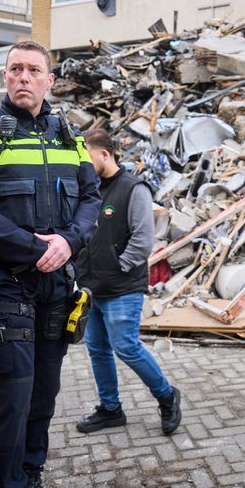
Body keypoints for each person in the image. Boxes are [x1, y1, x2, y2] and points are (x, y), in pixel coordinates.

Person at [0, 41, 101, 488]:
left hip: (56, 285)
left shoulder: (69, 136)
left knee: (43, 393)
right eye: (15, 69)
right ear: (5, 78)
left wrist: (69, 242)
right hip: (1, 283)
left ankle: (29, 473)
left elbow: (91, 199)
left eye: (34, 70)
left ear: (49, 81)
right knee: (12, 393)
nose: (23, 77)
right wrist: (34, 248)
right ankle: (5, 482)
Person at [75, 129, 182, 436]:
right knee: (97, 349)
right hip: (90, 287)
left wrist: (117, 267)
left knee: (126, 347)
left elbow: (143, 239)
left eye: (87, 157)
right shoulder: (88, 191)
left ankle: (166, 396)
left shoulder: (133, 189)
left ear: (104, 155)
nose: (83, 164)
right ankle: (110, 410)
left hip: (122, 287)